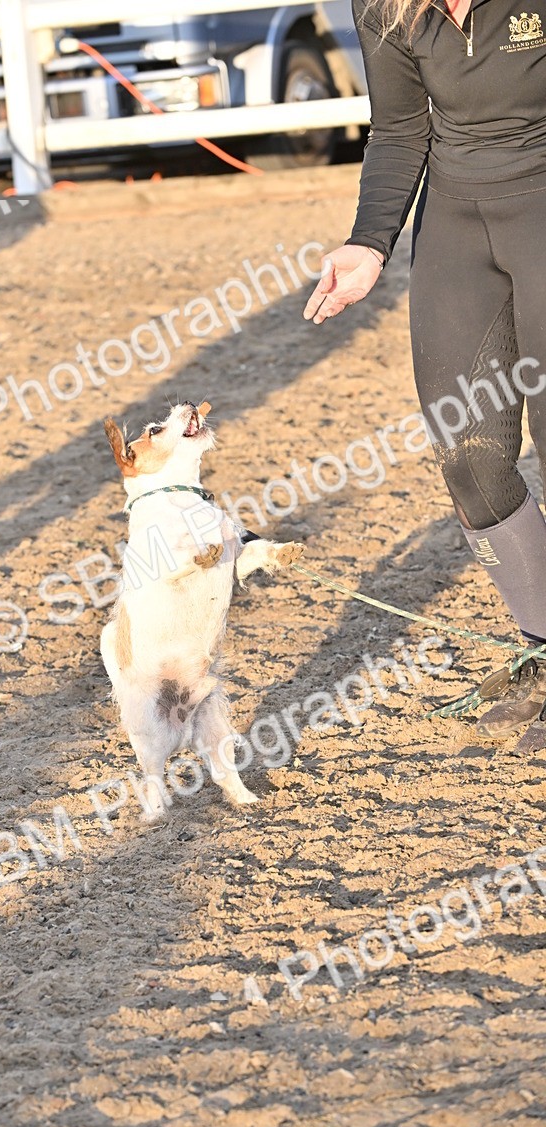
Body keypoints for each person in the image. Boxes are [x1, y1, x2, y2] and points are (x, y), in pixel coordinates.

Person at [303, 0, 546, 747]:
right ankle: (543, 647)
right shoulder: (385, 6)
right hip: (455, 224)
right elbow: (401, 125)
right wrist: (369, 241)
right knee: (469, 458)